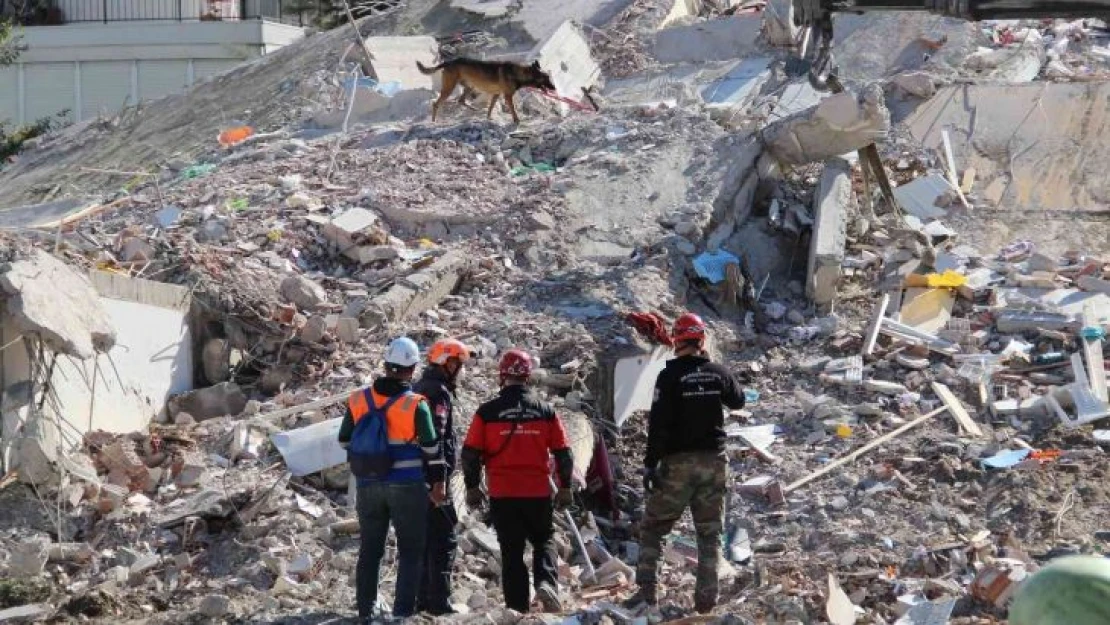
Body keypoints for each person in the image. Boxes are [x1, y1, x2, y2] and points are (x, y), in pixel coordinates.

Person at [625, 313, 746, 614]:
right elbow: (739, 400)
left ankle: (646, 595)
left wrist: (650, 464)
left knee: (655, 527)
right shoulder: (717, 372)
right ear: (702, 339)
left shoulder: (669, 376)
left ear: (676, 339)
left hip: (677, 464)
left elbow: (658, 425)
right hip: (714, 463)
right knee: (709, 533)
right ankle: (706, 602)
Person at [337, 337, 447, 622]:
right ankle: (401, 614)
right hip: (407, 485)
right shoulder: (415, 404)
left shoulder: (358, 399)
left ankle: (365, 611)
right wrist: (437, 482)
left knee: (370, 549)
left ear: (386, 365)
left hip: (368, 484)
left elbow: (344, 440)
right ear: (412, 370)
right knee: (411, 550)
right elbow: (432, 449)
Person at [461, 349, 575, 614]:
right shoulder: (546, 411)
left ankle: (517, 609)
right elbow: (563, 452)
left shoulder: (487, 412)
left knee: (511, 551)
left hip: (503, 493)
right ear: (527, 377)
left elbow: (470, 454)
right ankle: (546, 583)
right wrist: (566, 487)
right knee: (544, 539)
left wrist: (472, 487)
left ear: (502, 376)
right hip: (537, 491)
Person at [413, 337, 474, 615]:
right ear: (447, 363)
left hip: (416, 475)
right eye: (458, 364)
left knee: (424, 539)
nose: (460, 371)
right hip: (433, 478)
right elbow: (435, 438)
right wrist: (438, 481)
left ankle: (421, 599)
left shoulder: (419, 388)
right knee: (444, 539)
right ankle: (437, 602)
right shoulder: (438, 393)